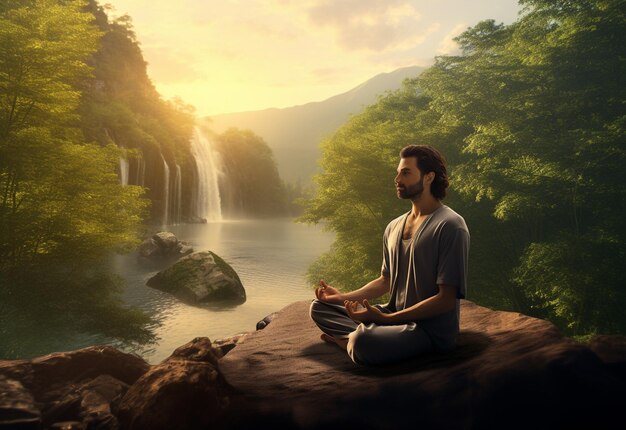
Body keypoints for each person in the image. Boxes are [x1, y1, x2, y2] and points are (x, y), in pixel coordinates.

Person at [309, 145, 470, 366]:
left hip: (427, 329)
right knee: (318, 307)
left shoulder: (450, 226)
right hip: (392, 316)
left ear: (429, 177)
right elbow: (386, 280)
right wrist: (342, 297)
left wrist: (385, 319)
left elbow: (446, 300)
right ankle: (356, 338)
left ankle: (347, 341)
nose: (397, 179)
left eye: (405, 173)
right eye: (398, 172)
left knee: (362, 341)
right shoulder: (393, 226)